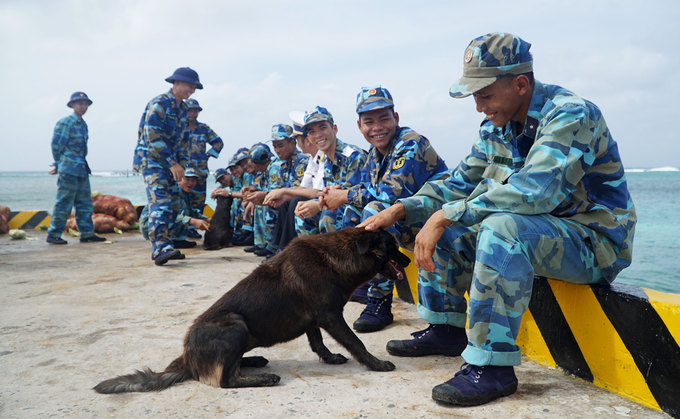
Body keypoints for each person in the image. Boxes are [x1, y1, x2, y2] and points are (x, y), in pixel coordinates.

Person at [359, 32, 636, 406]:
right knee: (431, 222)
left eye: (484, 95)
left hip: (594, 243)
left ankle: (492, 368)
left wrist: (445, 214)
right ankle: (446, 327)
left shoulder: (571, 114)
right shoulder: (496, 126)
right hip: (544, 236)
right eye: (475, 96)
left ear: (521, 84)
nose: (478, 107)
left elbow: (535, 192)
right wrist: (403, 208)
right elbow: (459, 184)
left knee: (500, 228)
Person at [319, 85, 448, 333]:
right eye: (369, 121)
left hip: (437, 221)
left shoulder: (410, 143)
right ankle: (354, 279)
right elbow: (368, 186)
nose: (377, 127)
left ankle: (378, 302)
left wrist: (344, 195)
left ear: (396, 119)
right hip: (409, 219)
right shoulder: (374, 154)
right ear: (359, 126)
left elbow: (389, 194)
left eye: (384, 119)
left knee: (373, 212)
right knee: (348, 212)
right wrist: (336, 194)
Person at [133, 67, 202, 265]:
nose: (192, 90)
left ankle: (167, 243)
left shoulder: (182, 110)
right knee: (160, 204)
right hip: (153, 161)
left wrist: (181, 163)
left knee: (173, 204)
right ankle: (160, 249)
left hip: (170, 162)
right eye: (190, 85)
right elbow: (151, 135)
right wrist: (171, 162)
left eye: (194, 87)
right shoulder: (159, 104)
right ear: (177, 83)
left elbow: (182, 141)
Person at [293, 106, 367, 236]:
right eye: (312, 132)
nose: (318, 135)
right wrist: (314, 203)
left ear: (335, 129)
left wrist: (318, 205)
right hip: (338, 206)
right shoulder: (326, 160)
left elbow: (350, 197)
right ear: (309, 138)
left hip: (359, 209)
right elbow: (327, 192)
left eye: (322, 128)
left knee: (329, 216)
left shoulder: (353, 156)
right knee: (303, 213)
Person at [46, 91, 105, 244]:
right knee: (64, 202)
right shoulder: (66, 122)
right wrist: (58, 163)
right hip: (68, 168)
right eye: (80, 103)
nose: (83, 106)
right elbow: (57, 145)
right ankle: (53, 234)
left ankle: (86, 234)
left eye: (85, 104)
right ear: (72, 105)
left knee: (85, 203)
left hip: (81, 168)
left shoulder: (83, 124)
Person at [254, 124, 309, 256]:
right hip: (290, 202)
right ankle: (278, 245)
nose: (277, 150)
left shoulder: (302, 161)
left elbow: (300, 190)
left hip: (307, 200)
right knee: (280, 203)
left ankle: (284, 248)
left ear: (292, 142)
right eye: (274, 147)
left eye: (280, 145)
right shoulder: (285, 164)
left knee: (291, 201)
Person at [139, 169, 210, 247]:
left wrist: (207, 219)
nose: (190, 183)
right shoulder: (171, 192)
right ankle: (170, 241)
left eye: (193, 181)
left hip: (158, 222)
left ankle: (177, 239)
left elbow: (191, 211)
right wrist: (192, 221)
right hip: (151, 224)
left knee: (185, 214)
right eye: (187, 180)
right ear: (179, 180)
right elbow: (167, 215)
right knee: (183, 218)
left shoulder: (185, 194)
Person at [185, 98, 224, 238]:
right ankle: (185, 227)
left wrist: (209, 155)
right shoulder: (178, 127)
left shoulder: (204, 129)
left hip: (200, 172)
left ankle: (193, 228)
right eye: (190, 110)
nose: (192, 113)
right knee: (183, 200)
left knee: (199, 201)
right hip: (183, 173)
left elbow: (218, 143)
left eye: (195, 110)